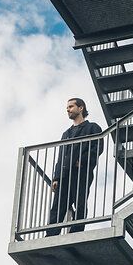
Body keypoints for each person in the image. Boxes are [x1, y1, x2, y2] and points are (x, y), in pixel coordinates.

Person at [51, 96, 105, 232]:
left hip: (81, 172)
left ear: (80, 108)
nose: (68, 110)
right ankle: (51, 235)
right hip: (64, 174)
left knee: (80, 203)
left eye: (71, 107)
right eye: (67, 107)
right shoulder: (66, 134)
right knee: (58, 205)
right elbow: (60, 157)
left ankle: (76, 232)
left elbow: (97, 147)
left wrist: (83, 161)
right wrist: (56, 177)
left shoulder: (92, 127)